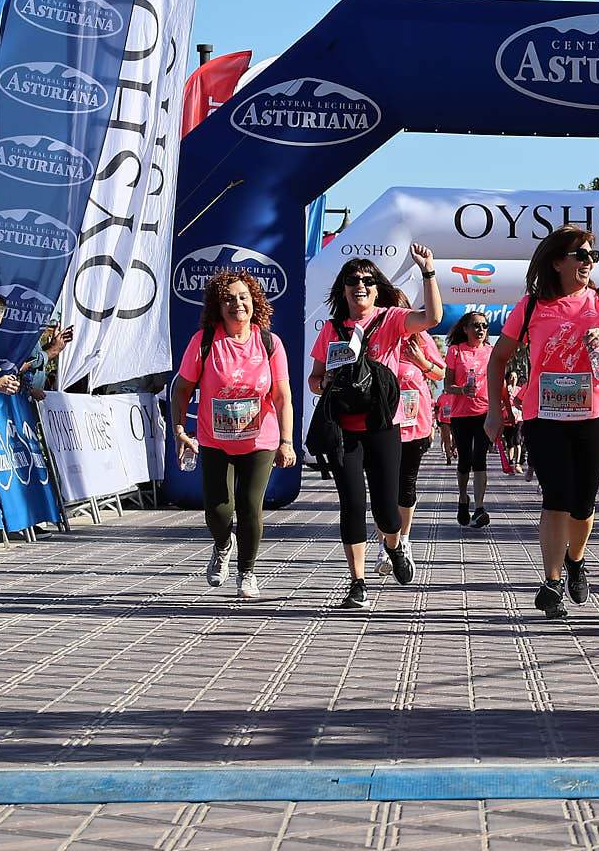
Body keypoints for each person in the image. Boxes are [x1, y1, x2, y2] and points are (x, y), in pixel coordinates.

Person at [484, 228, 599, 619]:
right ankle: (551, 582)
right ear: (556, 261)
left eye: (592, 256)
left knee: (583, 503)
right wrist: (495, 411)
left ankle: (576, 560)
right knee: (555, 497)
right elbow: (498, 358)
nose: (587, 262)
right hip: (544, 416)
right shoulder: (532, 306)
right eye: (579, 255)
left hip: (596, 415)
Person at [308, 246, 444, 608]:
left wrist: (429, 272)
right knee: (352, 503)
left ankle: (394, 546)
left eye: (368, 281)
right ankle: (357, 582)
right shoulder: (333, 329)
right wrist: (330, 383)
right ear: (343, 289)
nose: (361, 286)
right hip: (344, 428)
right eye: (353, 281)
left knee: (386, 508)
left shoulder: (392, 319)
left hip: (384, 425)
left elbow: (432, 317)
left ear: (376, 288)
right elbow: (314, 379)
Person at [171, 270, 294, 599]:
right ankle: (223, 545)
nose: (237, 304)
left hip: (260, 440)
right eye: (228, 299)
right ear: (217, 306)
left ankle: (247, 571)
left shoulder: (269, 343)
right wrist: (180, 429)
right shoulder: (205, 341)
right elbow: (181, 389)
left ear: (254, 302)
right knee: (218, 510)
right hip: (215, 441)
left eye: (243, 297)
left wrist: (286, 441)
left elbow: (282, 396)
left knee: (250, 505)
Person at [380, 288, 446, 576]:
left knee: (406, 486)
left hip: (413, 424)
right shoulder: (377, 339)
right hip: (382, 424)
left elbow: (440, 373)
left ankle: (402, 540)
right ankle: (386, 542)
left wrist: (422, 361)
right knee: (385, 488)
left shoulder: (421, 338)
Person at [440, 311, 494, 528]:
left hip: (485, 412)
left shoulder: (491, 351)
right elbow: (446, 386)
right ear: (465, 329)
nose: (480, 329)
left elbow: (497, 383)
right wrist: (462, 389)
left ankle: (480, 507)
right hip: (461, 413)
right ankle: (463, 498)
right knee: (465, 459)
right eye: (475, 325)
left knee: (480, 458)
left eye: (484, 325)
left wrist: (502, 410)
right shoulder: (455, 351)